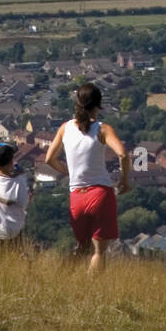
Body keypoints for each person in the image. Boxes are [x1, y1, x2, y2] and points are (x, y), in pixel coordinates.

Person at [44, 83, 130, 271]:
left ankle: (61, 276)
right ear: (99, 105)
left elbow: (49, 159)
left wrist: (69, 171)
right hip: (100, 194)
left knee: (82, 246)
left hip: (76, 196)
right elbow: (123, 154)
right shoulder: (102, 129)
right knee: (99, 251)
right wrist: (124, 180)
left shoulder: (65, 128)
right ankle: (92, 289)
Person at [0, 143, 30, 245]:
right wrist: (21, 175)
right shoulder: (19, 182)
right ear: (11, 162)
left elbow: (1, 175)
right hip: (13, 231)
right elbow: (24, 204)